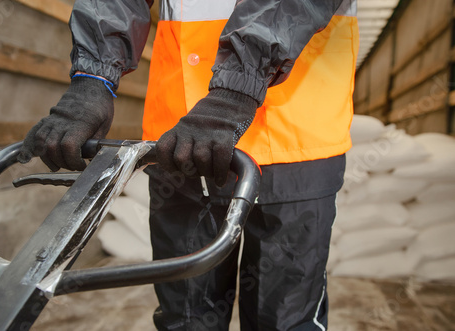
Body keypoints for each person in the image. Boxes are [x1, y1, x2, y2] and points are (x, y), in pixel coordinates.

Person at [18, 0, 359, 329]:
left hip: (295, 140)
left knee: (286, 319)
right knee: (185, 319)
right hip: (180, 148)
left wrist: (238, 85)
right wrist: (94, 76)